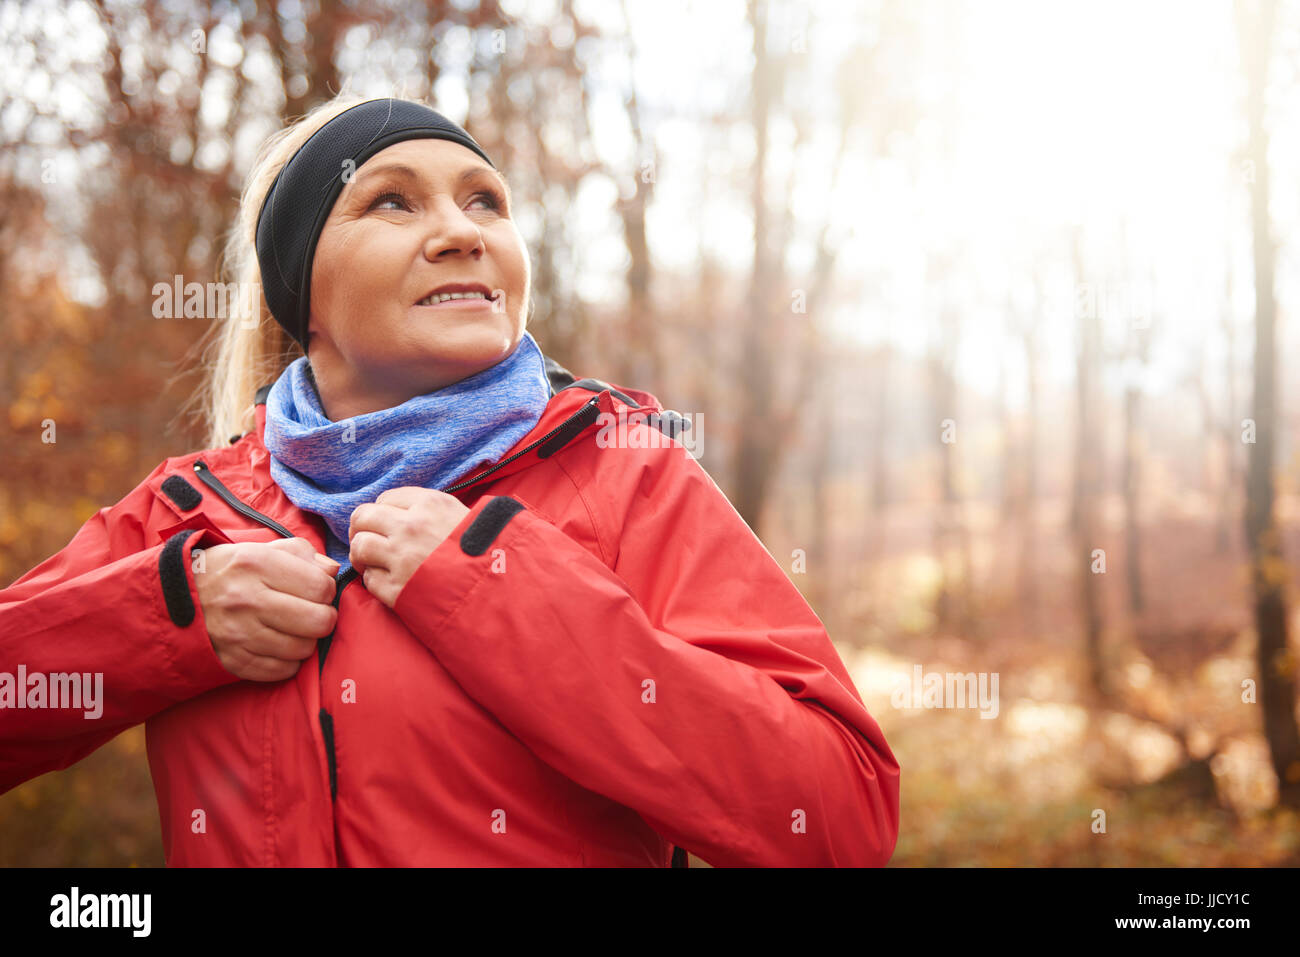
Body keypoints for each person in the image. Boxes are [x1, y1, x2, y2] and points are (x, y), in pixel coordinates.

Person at [0, 94, 900, 866]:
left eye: (487, 203)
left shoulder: (622, 467)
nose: (464, 232)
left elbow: (839, 815)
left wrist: (502, 597)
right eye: (392, 202)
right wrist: (166, 618)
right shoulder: (188, 510)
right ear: (301, 293)